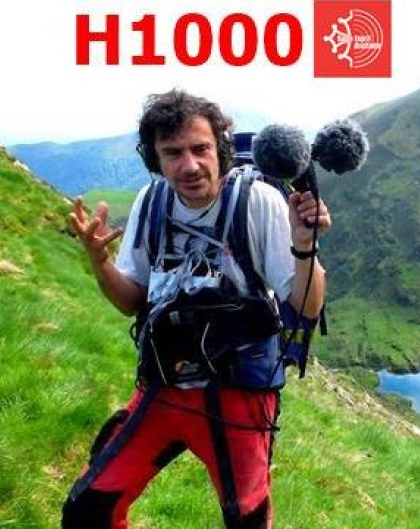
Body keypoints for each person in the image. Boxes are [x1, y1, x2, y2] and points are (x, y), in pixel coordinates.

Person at [62, 89, 330, 528]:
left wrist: (304, 247)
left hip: (241, 395)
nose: (189, 165)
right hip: (164, 385)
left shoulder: (258, 201)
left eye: (200, 149)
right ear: (156, 159)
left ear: (220, 149)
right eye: (172, 153)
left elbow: (306, 304)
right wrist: (99, 262)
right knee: (87, 511)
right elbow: (131, 300)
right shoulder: (152, 202)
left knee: (246, 521)